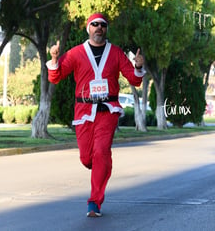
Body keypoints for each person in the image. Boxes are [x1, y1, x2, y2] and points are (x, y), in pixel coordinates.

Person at [46, 13, 145, 217]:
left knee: (100, 151)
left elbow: (135, 80)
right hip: (84, 111)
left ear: (106, 29)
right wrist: (55, 59)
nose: (99, 28)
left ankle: (94, 202)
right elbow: (56, 77)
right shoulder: (75, 53)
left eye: (103, 25)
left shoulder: (116, 53)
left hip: (107, 110)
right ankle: (103, 165)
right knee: (86, 158)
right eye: (95, 24)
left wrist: (138, 66)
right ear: (88, 28)